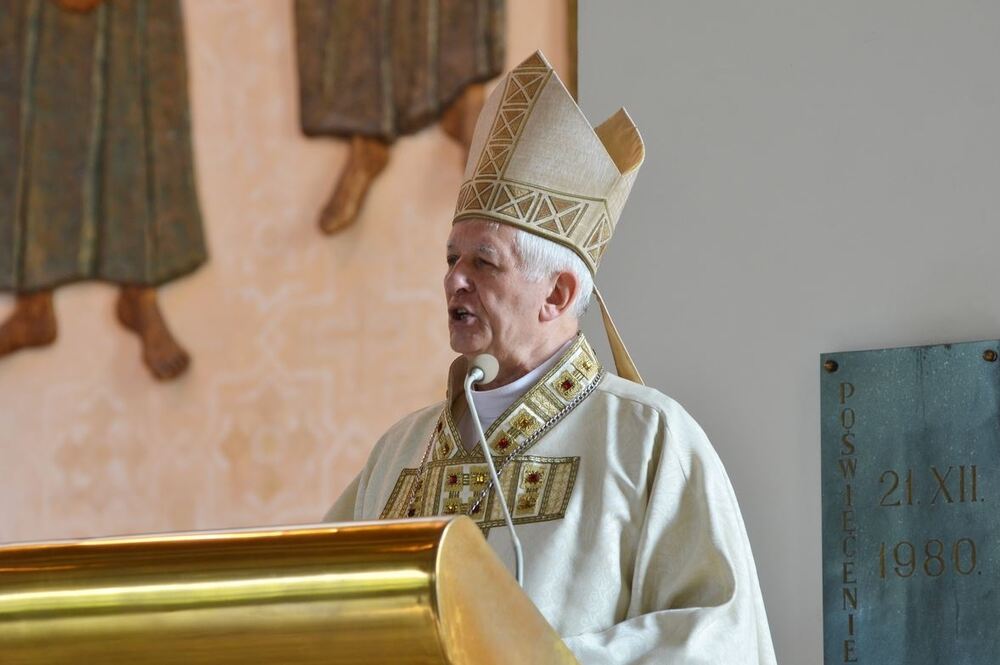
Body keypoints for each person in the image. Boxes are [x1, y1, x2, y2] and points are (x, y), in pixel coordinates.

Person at [325, 51, 776, 665]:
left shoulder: (648, 439)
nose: (454, 280)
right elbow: (319, 612)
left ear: (557, 295)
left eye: (483, 261)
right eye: (451, 259)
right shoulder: (399, 452)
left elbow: (716, 641)